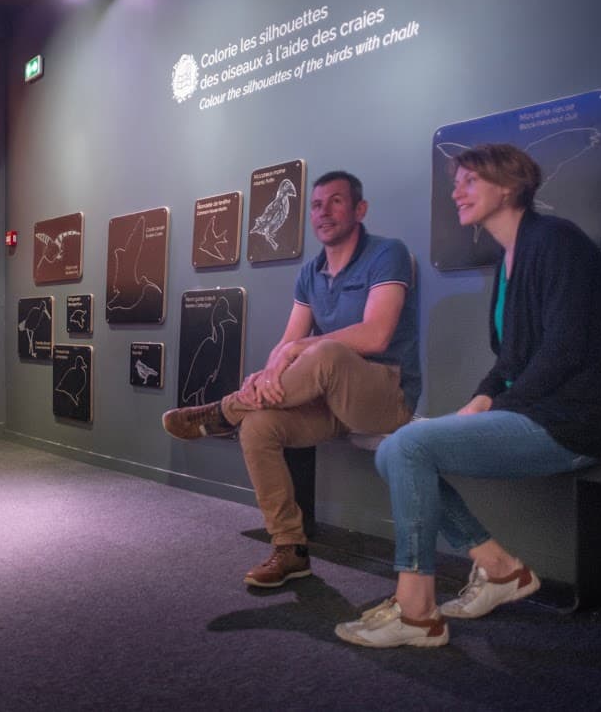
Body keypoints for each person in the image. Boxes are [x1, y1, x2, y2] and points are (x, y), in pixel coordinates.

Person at [334, 143, 601, 649]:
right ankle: (498, 568)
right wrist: (480, 400)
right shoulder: (510, 259)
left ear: (511, 185)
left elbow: (564, 350)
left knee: (407, 446)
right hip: (537, 413)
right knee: (395, 448)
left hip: (578, 423)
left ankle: (417, 612)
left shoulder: (557, 242)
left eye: (469, 180)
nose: (456, 191)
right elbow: (511, 362)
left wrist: (496, 407)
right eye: (457, 181)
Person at [162, 171, 421, 589]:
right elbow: (287, 343)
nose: (324, 212)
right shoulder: (310, 271)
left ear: (360, 209)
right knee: (259, 425)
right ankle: (290, 548)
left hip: (386, 396)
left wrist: (297, 352)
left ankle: (222, 411)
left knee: (325, 351)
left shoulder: (387, 253)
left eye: (336, 202)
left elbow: (376, 335)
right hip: (332, 402)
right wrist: (263, 377)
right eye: (317, 205)